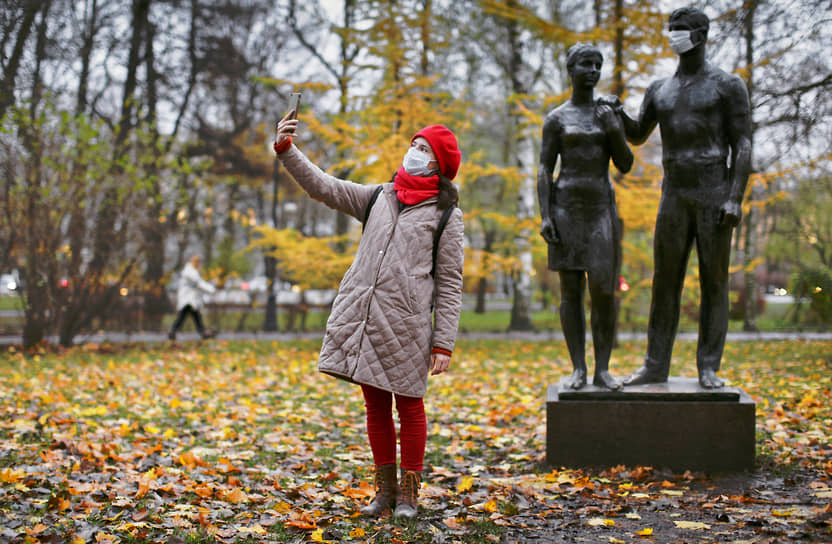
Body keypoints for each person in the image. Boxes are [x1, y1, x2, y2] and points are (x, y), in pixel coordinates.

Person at [273, 109, 464, 519]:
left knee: (410, 407)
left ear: (438, 164)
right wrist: (288, 150)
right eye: (413, 144)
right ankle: (384, 493)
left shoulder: (447, 215)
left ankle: (409, 497)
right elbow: (324, 187)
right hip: (366, 318)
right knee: (375, 408)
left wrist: (444, 341)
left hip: (409, 325)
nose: (413, 151)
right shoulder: (380, 196)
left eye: (423, 148)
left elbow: (450, 282)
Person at [604, 6, 751, 388]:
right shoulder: (660, 89)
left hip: (714, 193)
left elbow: (743, 144)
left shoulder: (727, 85)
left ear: (700, 35)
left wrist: (735, 196)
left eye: (680, 29)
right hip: (673, 193)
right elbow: (637, 134)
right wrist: (617, 112)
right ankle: (655, 365)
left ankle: (708, 366)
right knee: (664, 280)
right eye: (670, 29)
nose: (672, 36)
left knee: (713, 281)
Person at [537, 43, 633, 391]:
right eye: (586, 64)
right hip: (565, 209)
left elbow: (625, 163)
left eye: (598, 65)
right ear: (571, 70)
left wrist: (613, 127)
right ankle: (578, 368)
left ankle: (602, 369)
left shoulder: (608, 113)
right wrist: (545, 215)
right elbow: (545, 169)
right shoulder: (557, 118)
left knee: (604, 290)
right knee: (571, 292)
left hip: (601, 209)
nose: (593, 71)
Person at [168, 255, 216, 341]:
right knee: (188, 316)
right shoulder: (190, 272)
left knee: (192, 316)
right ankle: (201, 332)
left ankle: (174, 331)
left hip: (190, 299)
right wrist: (212, 289)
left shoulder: (191, 271)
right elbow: (199, 283)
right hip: (188, 299)